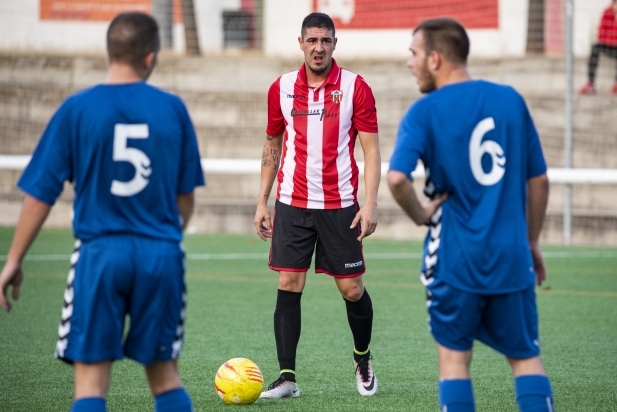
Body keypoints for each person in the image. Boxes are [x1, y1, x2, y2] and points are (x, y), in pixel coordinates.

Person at [0, 12, 204, 412]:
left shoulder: (77, 109)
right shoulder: (173, 108)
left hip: (99, 254)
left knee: (90, 386)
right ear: (151, 58)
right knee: (165, 377)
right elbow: (185, 200)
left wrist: (14, 259)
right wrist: (163, 237)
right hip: (160, 255)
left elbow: (41, 190)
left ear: (110, 52)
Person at [387, 18, 555, 411]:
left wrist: (419, 215)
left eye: (413, 54)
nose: (409, 63)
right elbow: (541, 181)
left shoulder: (424, 111)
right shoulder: (510, 99)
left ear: (434, 58)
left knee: (455, 361)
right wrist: (531, 241)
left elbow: (396, 179)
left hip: (455, 259)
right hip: (511, 256)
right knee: (525, 356)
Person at [253, 12, 381, 399]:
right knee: (288, 282)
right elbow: (273, 143)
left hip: (340, 205)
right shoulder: (282, 87)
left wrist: (370, 203)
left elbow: (371, 150)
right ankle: (287, 377)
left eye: (325, 41)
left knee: (352, 289)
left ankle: (362, 357)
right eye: (312, 41)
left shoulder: (356, 88)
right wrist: (263, 199)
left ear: (335, 44)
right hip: (292, 203)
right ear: (301, 43)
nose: (319, 48)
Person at [579, 0, 617, 94]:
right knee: (595, 48)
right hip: (607, 44)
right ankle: (591, 84)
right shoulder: (607, 12)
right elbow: (601, 33)